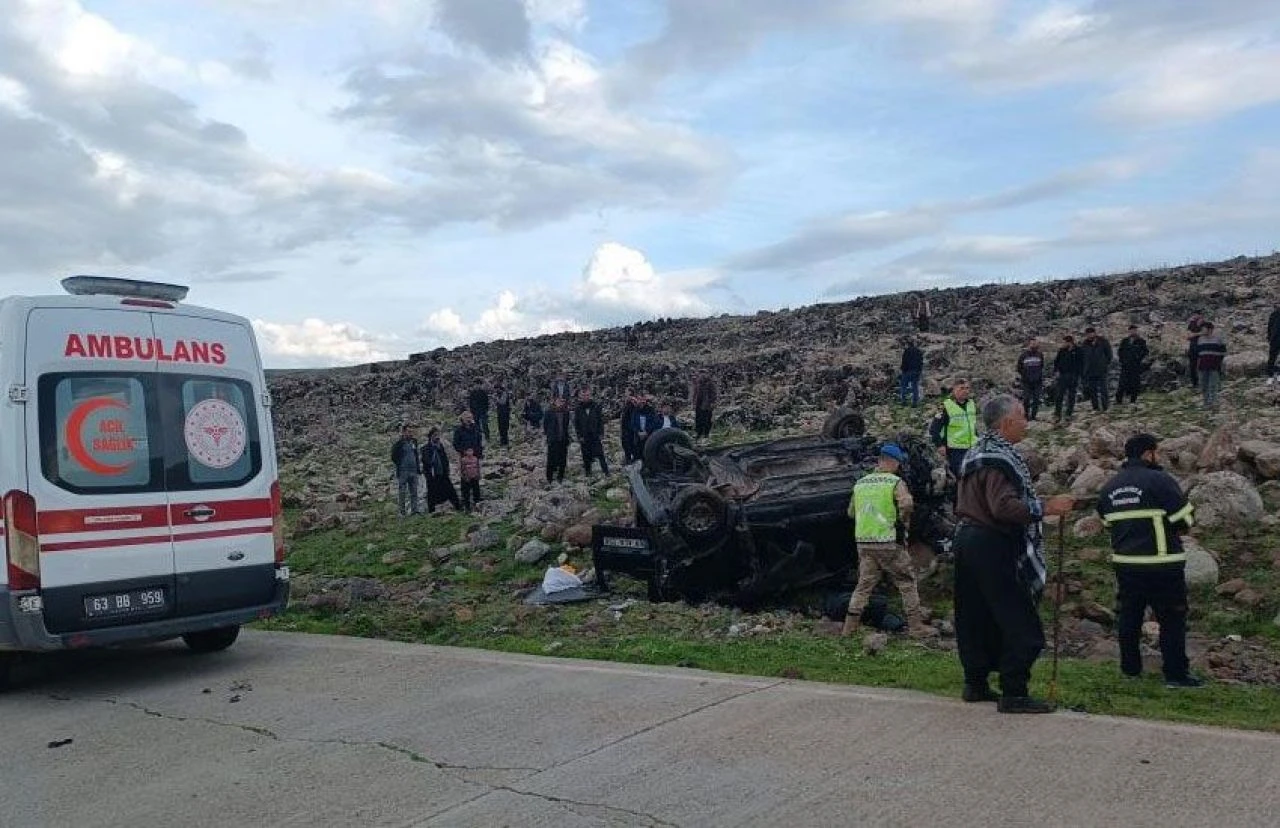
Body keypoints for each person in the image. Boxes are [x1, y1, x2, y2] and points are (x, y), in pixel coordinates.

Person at [952, 394, 1074, 713]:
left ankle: (975, 682)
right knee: (1016, 614)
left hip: (966, 539)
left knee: (976, 615)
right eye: (1022, 417)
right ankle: (1014, 690)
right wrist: (1045, 507)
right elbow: (1002, 507)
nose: (1026, 423)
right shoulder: (1000, 458)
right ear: (1006, 422)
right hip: (991, 542)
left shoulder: (976, 452)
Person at [1097, 434, 1202, 688]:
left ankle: (1130, 669)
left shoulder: (1111, 486)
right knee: (1172, 618)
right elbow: (1184, 520)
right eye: (1157, 452)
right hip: (1162, 562)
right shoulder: (1160, 480)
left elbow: (1106, 522)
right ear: (1148, 454)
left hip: (1126, 564)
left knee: (1129, 617)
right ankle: (1176, 674)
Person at [842, 444, 932, 638]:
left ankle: (849, 628)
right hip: (888, 542)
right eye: (898, 463)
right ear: (892, 461)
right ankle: (916, 626)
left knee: (864, 585)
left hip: (864, 543)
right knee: (906, 581)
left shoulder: (861, 483)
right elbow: (907, 504)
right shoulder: (894, 482)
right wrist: (903, 520)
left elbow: (850, 513)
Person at [929, 379, 978, 480]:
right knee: (961, 476)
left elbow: (973, 425)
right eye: (962, 388)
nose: (965, 391)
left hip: (972, 447)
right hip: (955, 449)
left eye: (967, 388)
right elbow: (934, 428)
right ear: (954, 389)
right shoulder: (946, 406)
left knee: (975, 476)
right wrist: (939, 445)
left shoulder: (971, 404)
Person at [422, 428, 462, 513]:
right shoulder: (426, 448)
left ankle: (458, 507)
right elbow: (427, 461)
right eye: (435, 435)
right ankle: (432, 511)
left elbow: (445, 459)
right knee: (432, 493)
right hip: (432, 475)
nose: (437, 437)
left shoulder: (440, 447)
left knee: (450, 491)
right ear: (430, 437)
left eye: (438, 435)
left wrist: (447, 469)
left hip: (442, 473)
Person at [573, 387, 609, 476]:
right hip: (584, 435)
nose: (586, 397)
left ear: (590, 395)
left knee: (600, 454)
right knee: (586, 455)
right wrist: (579, 436)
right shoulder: (578, 408)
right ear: (581, 396)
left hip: (595, 434)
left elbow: (600, 420)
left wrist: (601, 433)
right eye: (584, 395)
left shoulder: (596, 406)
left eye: (588, 395)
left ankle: (606, 472)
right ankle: (588, 473)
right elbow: (576, 424)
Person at [390, 424, 422, 517]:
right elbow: (394, 456)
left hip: (413, 470)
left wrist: (418, 468)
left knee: (414, 491)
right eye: (408, 431)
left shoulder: (414, 442)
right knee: (402, 491)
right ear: (403, 432)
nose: (410, 433)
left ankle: (414, 511)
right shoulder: (399, 444)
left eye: (411, 432)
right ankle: (402, 511)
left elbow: (416, 455)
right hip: (403, 471)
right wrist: (400, 464)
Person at [1080, 326, 1113, 413]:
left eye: (1091, 333)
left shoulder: (1103, 341)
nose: (1089, 335)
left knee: (1103, 389)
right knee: (1092, 390)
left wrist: (1105, 363)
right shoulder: (1084, 344)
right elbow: (1082, 358)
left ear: (1094, 333)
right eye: (1088, 334)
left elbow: (1109, 354)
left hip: (1101, 369)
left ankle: (1105, 407)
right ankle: (1095, 408)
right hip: (1090, 371)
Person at [1196, 321, 1227, 410]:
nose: (1202, 330)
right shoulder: (1200, 339)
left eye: (1204, 329)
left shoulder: (1218, 339)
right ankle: (1206, 403)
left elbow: (1223, 352)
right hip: (1203, 365)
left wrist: (1220, 364)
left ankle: (1213, 403)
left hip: (1214, 365)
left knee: (1213, 385)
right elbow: (1198, 354)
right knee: (1204, 385)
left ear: (1210, 329)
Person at [1052, 334, 1083, 423]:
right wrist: (1056, 371)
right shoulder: (1062, 351)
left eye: (1064, 342)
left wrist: (1079, 374)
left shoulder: (1078, 350)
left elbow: (1081, 363)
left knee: (1071, 396)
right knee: (1059, 395)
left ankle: (1069, 413)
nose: (1063, 344)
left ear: (1069, 342)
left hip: (1073, 375)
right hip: (1063, 375)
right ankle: (1057, 414)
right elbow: (1056, 362)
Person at [1115, 325, 1149, 405]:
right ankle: (1118, 400)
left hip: (1135, 366)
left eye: (1134, 330)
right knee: (1122, 383)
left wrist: (1138, 357)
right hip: (1125, 366)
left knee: (1135, 383)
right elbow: (1120, 351)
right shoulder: (1125, 341)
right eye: (1131, 330)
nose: (1133, 332)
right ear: (1129, 331)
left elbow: (1145, 352)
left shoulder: (1141, 341)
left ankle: (1133, 400)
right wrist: (1122, 360)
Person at [1015, 338, 1045, 420]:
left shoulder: (1040, 355)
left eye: (1035, 343)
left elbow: (1041, 366)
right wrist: (1025, 375)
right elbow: (1019, 368)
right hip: (1026, 381)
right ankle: (1026, 416)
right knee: (1026, 399)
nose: (1034, 345)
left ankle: (1034, 416)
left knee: (1036, 399)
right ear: (1029, 344)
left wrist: (1038, 375)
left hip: (1037, 381)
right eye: (1032, 343)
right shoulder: (1023, 355)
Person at [543, 396, 571, 483]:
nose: (560, 403)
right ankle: (549, 477)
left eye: (562, 401)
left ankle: (560, 476)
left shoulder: (566, 412)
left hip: (563, 439)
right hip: (553, 439)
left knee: (563, 459)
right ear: (554, 401)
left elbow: (566, 425)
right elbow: (545, 425)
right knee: (551, 458)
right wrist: (549, 436)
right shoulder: (549, 412)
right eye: (558, 401)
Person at [691, 372, 718, 439]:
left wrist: (712, 402)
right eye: (701, 374)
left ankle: (706, 434)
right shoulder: (698, 384)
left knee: (707, 420)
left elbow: (714, 394)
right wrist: (694, 402)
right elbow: (695, 393)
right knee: (699, 419)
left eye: (704, 373)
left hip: (707, 405)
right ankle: (698, 433)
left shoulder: (711, 384)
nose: (702, 375)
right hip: (699, 404)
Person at [632, 394, 659, 458]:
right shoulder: (635, 410)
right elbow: (633, 423)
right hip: (638, 436)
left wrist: (647, 432)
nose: (641, 402)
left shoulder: (651, 409)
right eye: (639, 400)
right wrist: (638, 432)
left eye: (642, 400)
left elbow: (654, 422)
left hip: (649, 435)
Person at [900, 340, 924, 407]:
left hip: (907, 371)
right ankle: (914, 402)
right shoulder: (918, 351)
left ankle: (904, 401)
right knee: (915, 387)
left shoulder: (906, 351)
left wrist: (903, 370)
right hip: (916, 371)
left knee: (903, 386)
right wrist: (919, 371)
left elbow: (904, 361)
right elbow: (921, 362)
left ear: (908, 344)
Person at [1186, 312, 1207, 387]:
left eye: (1198, 315)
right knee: (1192, 365)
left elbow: (1206, 332)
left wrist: (1194, 334)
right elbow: (1188, 335)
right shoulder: (1191, 323)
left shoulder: (1204, 323)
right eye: (1195, 315)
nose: (1195, 316)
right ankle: (1194, 383)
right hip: (1193, 346)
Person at [619, 390, 640, 464]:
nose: (625, 394)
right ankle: (629, 458)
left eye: (626, 393)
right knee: (626, 444)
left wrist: (631, 427)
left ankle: (632, 459)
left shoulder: (631, 404)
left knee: (629, 444)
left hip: (628, 429)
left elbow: (632, 417)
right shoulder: (628, 403)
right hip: (626, 428)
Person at [459, 447, 481, 512]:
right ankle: (467, 507)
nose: (470, 452)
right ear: (465, 452)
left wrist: (478, 474)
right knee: (466, 493)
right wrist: (465, 477)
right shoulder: (463, 460)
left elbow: (478, 467)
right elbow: (462, 469)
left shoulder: (475, 459)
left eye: (471, 451)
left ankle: (477, 504)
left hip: (475, 477)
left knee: (476, 491)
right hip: (467, 478)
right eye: (468, 451)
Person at [493, 381, 512, 447]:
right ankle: (502, 441)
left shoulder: (504, 394)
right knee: (500, 427)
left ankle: (505, 442)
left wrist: (496, 399)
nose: (495, 391)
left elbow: (502, 402)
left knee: (505, 427)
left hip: (505, 413)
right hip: (500, 413)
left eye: (496, 389)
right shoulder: (498, 394)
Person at [1267, 302, 1280, 384]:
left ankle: (1279, 375)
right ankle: (1270, 376)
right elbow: (1269, 327)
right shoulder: (1273, 315)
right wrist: (1269, 338)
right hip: (1274, 340)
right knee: (1272, 358)